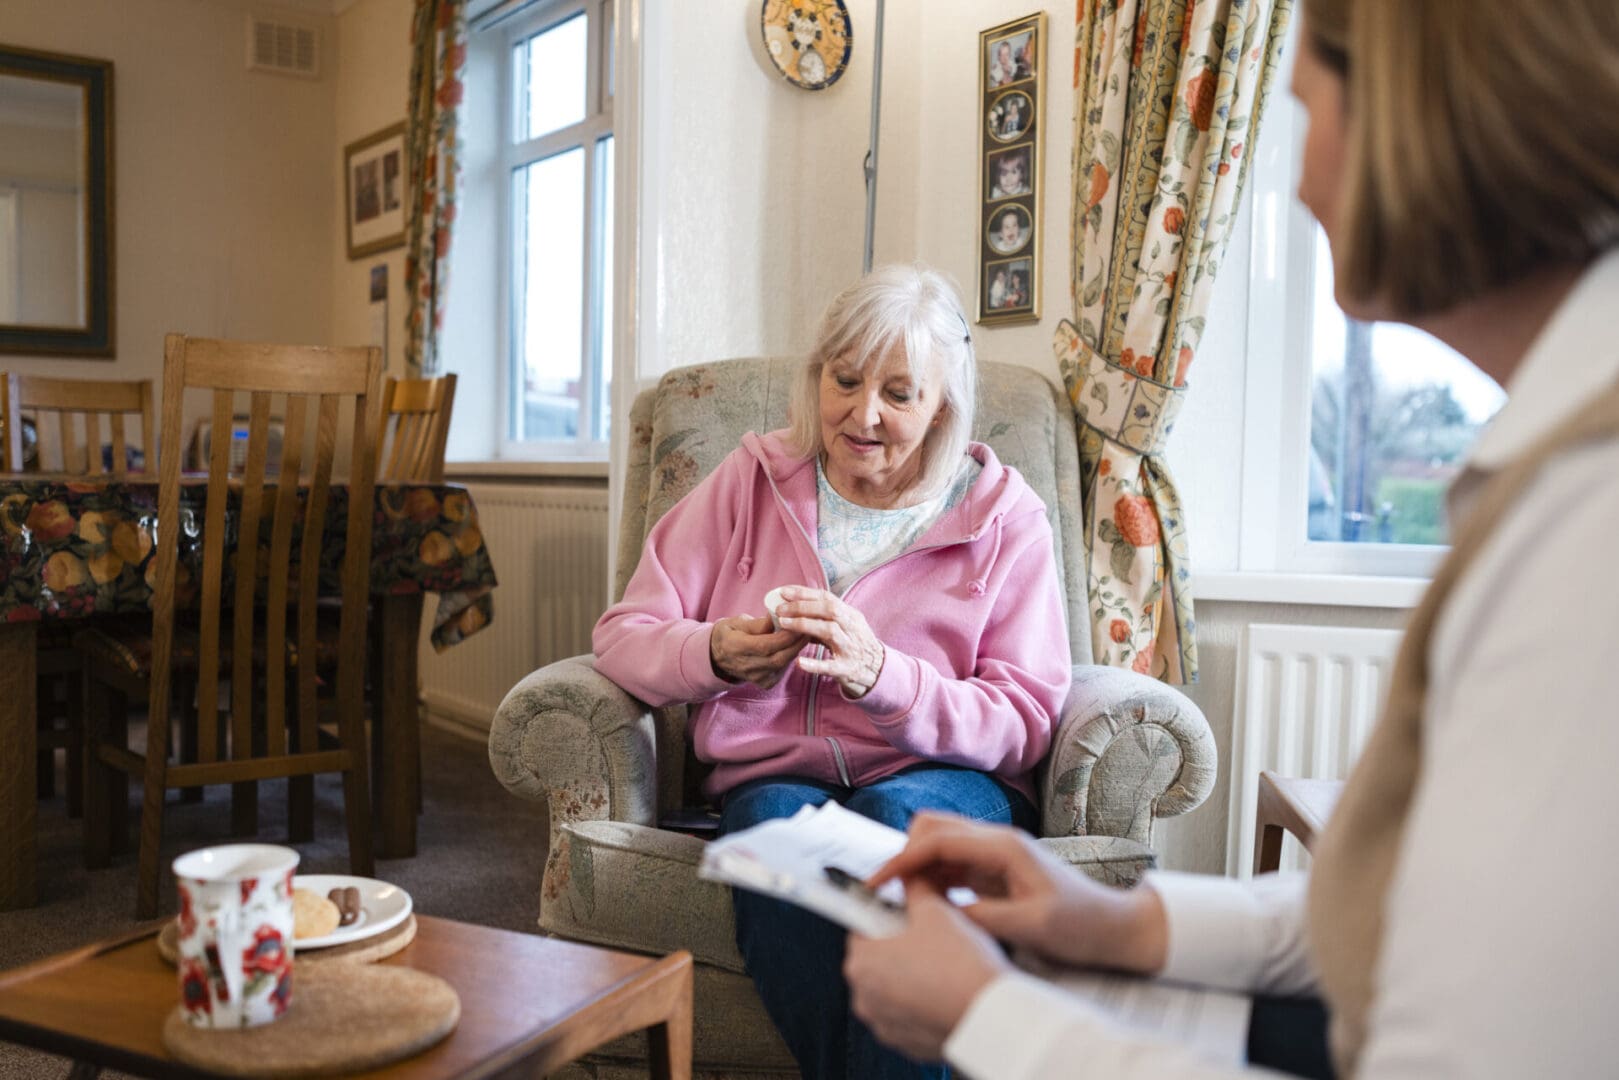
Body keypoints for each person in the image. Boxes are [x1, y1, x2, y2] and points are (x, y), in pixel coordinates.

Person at [844, 0, 1619, 1076]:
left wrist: (992, 1021)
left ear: (1425, 117)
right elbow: (1424, 907)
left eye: (1306, 112)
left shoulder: (1590, 525)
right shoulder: (1555, 462)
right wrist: (1118, 921)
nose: (1298, 187)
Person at [593, 264, 1072, 1080]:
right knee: (773, 833)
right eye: (844, 381)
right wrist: (711, 654)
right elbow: (623, 635)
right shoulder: (750, 481)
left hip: (944, 779)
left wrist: (885, 677)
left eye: (899, 393)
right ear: (816, 377)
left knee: (898, 820)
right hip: (773, 773)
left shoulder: (1002, 516)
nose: (863, 414)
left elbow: (1025, 715)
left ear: (942, 404)